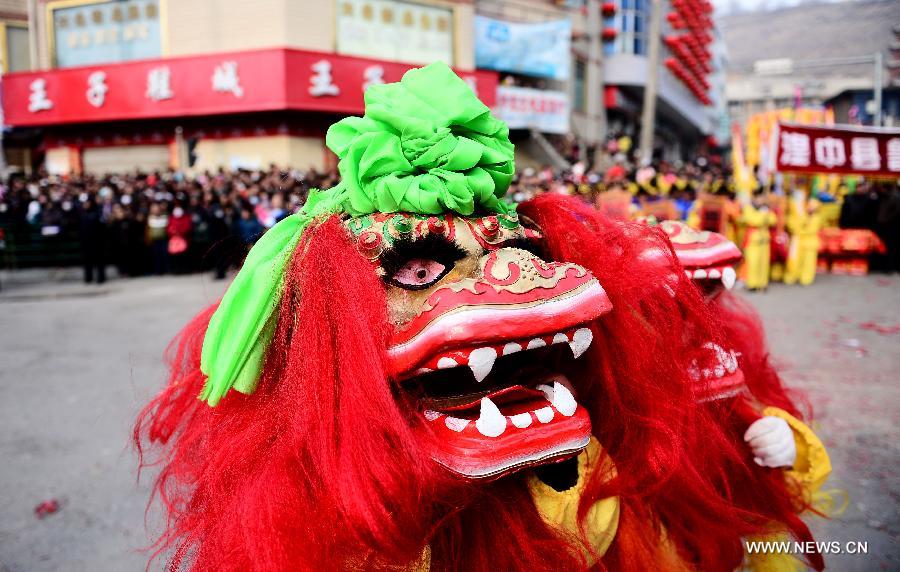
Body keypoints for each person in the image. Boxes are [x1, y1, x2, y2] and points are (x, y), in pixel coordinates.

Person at [78, 198, 107, 284]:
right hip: (86, 242)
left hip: (97, 242)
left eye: (87, 203)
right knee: (87, 261)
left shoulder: (97, 213)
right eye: (84, 203)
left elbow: (102, 227)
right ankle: (88, 278)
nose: (85, 205)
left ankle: (101, 278)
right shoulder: (82, 214)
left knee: (99, 261)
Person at [146, 202, 169, 275]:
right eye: (153, 208)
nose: (155, 209)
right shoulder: (149, 218)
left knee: (164, 254)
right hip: (154, 240)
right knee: (156, 255)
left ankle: (166, 270)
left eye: (156, 208)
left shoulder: (164, 216)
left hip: (164, 239)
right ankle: (157, 271)